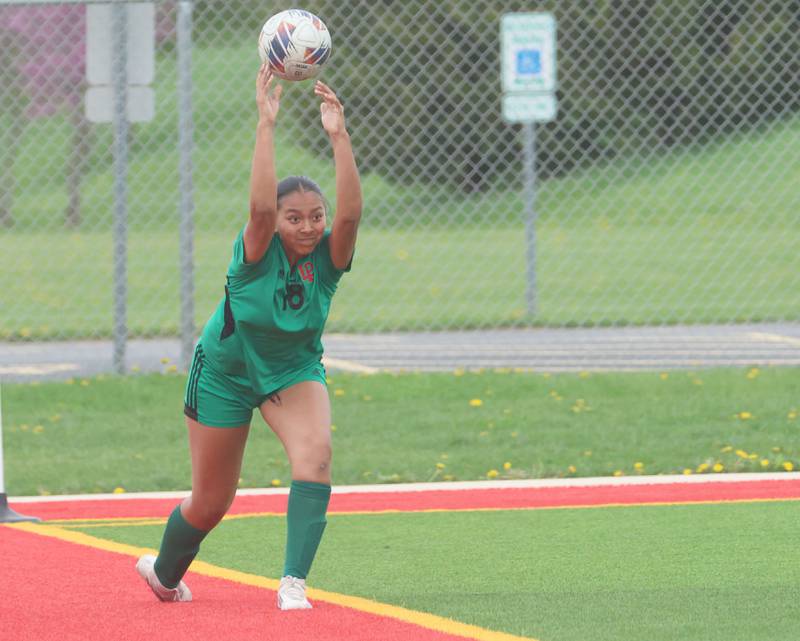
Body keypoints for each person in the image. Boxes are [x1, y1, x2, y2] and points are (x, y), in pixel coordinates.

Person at [135, 63, 362, 610]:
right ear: (276, 222)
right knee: (212, 501)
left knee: (317, 457)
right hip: (225, 373)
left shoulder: (328, 259)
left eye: (315, 217)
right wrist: (266, 125)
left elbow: (351, 219)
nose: (307, 227)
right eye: (294, 218)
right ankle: (164, 573)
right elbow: (259, 207)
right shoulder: (256, 253)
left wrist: (339, 136)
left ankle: (292, 584)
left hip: (292, 369)